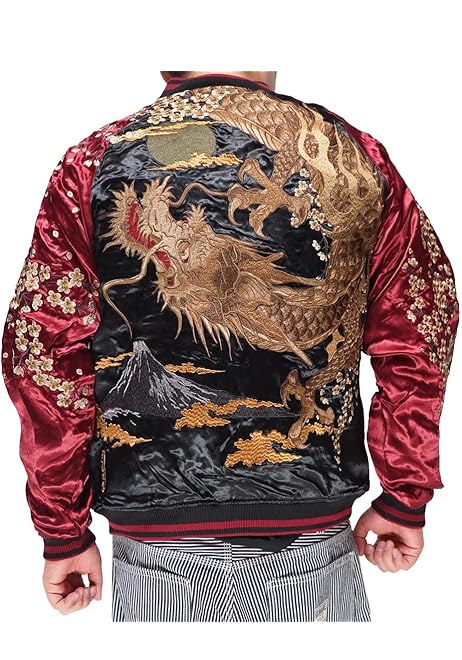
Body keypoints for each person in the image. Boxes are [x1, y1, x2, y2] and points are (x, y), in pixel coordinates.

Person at [1, 70, 459, 622]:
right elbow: (421, 325)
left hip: (154, 545)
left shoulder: (95, 162)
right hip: (315, 534)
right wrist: (404, 495)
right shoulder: (352, 154)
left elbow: (42, 351)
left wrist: (64, 531)